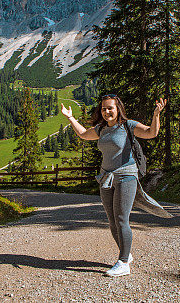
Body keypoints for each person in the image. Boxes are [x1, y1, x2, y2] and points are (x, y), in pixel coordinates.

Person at [61, 94, 172, 277]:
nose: (106, 112)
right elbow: (82, 134)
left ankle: (123, 262)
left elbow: (151, 133)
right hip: (106, 178)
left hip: (126, 176)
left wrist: (156, 114)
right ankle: (126, 254)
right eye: (104, 109)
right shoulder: (101, 129)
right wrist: (70, 117)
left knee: (121, 219)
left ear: (118, 108)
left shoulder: (128, 126)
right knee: (112, 222)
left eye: (110, 108)